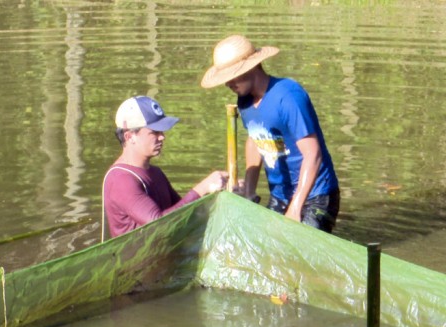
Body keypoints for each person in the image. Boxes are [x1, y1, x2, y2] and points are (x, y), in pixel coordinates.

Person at [201, 35, 339, 233]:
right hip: (280, 193)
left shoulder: (288, 96)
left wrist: (295, 207)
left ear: (252, 67)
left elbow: (313, 154)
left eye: (233, 76)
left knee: (298, 249)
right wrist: (249, 192)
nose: (228, 84)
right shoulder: (244, 101)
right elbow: (255, 140)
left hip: (315, 195)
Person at [102, 95, 228, 239]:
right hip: (139, 260)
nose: (162, 137)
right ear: (130, 137)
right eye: (154, 132)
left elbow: (185, 213)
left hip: (164, 252)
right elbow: (160, 224)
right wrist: (202, 188)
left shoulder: (156, 173)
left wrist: (220, 193)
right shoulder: (120, 180)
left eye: (161, 132)